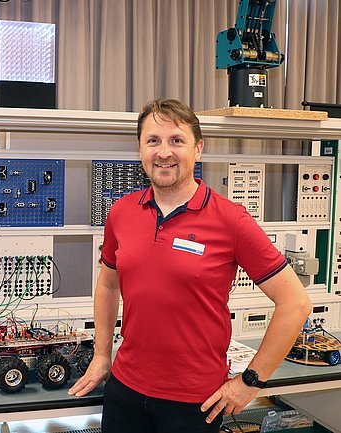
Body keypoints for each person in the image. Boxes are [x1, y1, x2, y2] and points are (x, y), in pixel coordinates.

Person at [68, 98, 312, 432]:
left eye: (176, 140)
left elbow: (295, 303)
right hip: (126, 390)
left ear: (198, 149)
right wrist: (101, 355)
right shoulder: (122, 212)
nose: (163, 152)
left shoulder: (231, 220)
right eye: (153, 140)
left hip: (195, 402)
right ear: (140, 149)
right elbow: (108, 285)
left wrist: (251, 381)